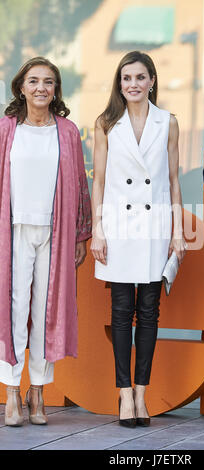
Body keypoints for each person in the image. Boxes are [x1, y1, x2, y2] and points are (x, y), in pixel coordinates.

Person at [91, 51, 185, 428]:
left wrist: (178, 231)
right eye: (126, 77)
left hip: (154, 225)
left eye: (140, 77)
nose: (133, 84)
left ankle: (142, 394)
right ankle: (124, 392)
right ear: (119, 83)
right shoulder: (105, 123)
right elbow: (97, 180)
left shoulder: (169, 122)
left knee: (149, 312)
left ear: (151, 81)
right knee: (119, 312)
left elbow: (174, 180)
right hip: (117, 226)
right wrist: (98, 229)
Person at [0, 57, 92, 426]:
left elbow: (80, 187)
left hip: (56, 234)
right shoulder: (6, 129)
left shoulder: (67, 131)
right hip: (13, 232)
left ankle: (38, 391)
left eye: (49, 82)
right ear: (21, 87)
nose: (41, 88)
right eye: (34, 81)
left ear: (56, 90)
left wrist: (81, 234)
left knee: (46, 312)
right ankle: (11, 391)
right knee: (13, 310)